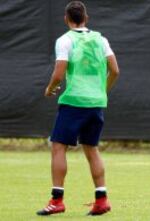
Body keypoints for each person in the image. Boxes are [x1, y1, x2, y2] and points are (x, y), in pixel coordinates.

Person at [37, 1, 119, 216]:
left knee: (58, 147)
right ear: (86, 18)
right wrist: (102, 91)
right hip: (96, 103)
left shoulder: (65, 40)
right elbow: (115, 70)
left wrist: (49, 89)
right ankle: (101, 200)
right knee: (92, 149)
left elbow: (58, 74)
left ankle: (57, 201)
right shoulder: (101, 39)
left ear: (66, 19)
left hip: (74, 102)